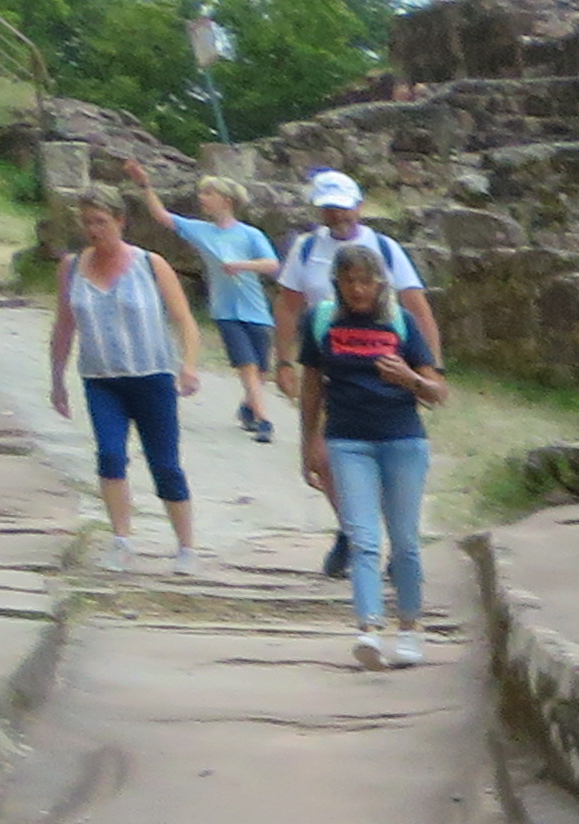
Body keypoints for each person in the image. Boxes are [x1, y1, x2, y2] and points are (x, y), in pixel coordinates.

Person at [292, 237, 444, 668]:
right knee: (362, 538)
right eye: (349, 281)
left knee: (405, 541)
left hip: (402, 440)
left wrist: (410, 379)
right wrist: (309, 443)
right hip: (347, 440)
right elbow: (311, 386)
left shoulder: (401, 322)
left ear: (380, 283)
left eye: (366, 281)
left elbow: (438, 393)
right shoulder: (321, 321)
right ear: (336, 283)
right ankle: (369, 629)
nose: (358, 289)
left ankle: (410, 627)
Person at [274, 168, 435, 571]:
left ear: (359, 207)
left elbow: (417, 308)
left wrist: (431, 370)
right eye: (329, 208)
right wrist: (283, 360)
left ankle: (384, 541)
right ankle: (353, 531)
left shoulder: (384, 248)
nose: (337, 215)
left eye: (343, 207)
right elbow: (289, 305)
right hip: (329, 361)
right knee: (324, 457)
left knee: (383, 461)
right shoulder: (307, 249)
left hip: (381, 364)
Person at [46, 198, 207, 570]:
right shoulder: (71, 268)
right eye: (88, 222)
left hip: (152, 376)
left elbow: (184, 320)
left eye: (101, 221)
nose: (94, 230)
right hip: (102, 379)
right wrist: (56, 379)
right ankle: (121, 540)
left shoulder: (150, 264)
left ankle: (186, 547)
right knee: (110, 454)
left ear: (121, 221)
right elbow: (64, 326)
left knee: (165, 464)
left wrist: (189, 365)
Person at [171, 177, 283, 439]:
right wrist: (144, 187)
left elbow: (272, 264)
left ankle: (248, 407)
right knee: (247, 365)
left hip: (255, 310)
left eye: (208, 193)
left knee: (261, 369)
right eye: (202, 192)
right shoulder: (201, 230)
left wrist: (241, 265)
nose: (202, 198)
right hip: (225, 311)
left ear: (226, 200)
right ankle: (264, 420)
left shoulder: (250, 234)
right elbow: (164, 217)